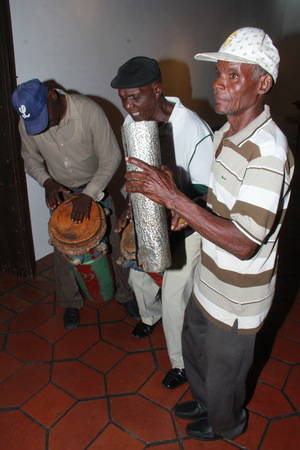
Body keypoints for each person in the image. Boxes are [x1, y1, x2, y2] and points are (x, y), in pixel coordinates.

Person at [125, 28, 294, 440]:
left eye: (234, 75)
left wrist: (172, 199)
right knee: (197, 352)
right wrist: (190, 205)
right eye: (219, 74)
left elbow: (243, 242)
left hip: (238, 296)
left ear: (263, 83)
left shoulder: (268, 152)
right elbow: (222, 206)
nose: (219, 83)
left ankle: (227, 424)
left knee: (224, 377)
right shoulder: (226, 134)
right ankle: (204, 401)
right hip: (209, 278)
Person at [111, 56, 214, 389]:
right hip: (149, 213)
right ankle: (147, 317)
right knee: (139, 275)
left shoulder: (193, 128)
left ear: (157, 90)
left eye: (135, 96)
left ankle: (181, 363)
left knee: (173, 296)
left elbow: (207, 190)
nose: (128, 105)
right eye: (123, 98)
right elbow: (137, 174)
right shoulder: (132, 123)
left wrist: (176, 205)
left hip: (190, 220)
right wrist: (130, 205)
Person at [12, 79, 121, 329]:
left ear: (52, 95)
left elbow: (111, 157)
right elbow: (29, 158)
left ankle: (126, 296)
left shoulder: (89, 111)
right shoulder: (27, 122)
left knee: (115, 242)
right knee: (62, 253)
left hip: (96, 188)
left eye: (44, 118)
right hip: (61, 191)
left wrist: (89, 194)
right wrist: (47, 181)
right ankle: (70, 304)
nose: (43, 126)